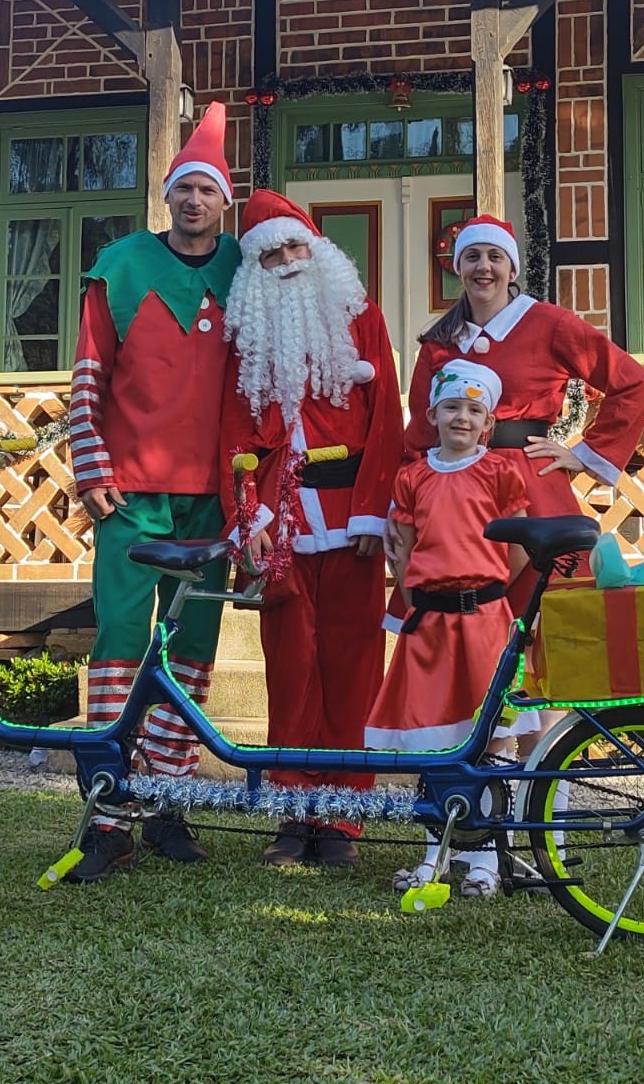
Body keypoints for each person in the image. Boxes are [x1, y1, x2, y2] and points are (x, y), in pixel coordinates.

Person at [67, 102, 240, 881]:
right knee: (120, 642)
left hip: (213, 495)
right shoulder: (122, 266)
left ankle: (167, 800)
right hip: (131, 491)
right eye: (184, 188)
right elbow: (87, 374)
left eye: (208, 190)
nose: (195, 200)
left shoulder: (246, 269)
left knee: (192, 651)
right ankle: (110, 814)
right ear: (168, 196)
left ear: (225, 202)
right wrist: (91, 465)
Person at [220, 189, 404, 868]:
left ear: (319, 250)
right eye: (272, 255)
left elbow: (387, 422)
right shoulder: (247, 340)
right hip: (283, 521)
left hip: (353, 520)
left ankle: (343, 818)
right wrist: (248, 518)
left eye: (296, 246)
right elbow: (231, 436)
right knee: (290, 665)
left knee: (353, 666)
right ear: (255, 269)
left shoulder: (363, 317)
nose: (289, 261)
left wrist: (375, 511)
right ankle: (292, 815)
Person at [403, 214, 644, 586]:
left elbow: (632, 383)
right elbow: (421, 434)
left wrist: (586, 454)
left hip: (529, 484)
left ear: (511, 269)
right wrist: (404, 503)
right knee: (457, 601)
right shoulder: (440, 341)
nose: (483, 266)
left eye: (495, 256)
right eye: (472, 256)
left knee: (544, 601)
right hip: (453, 490)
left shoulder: (550, 324)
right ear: (459, 268)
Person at [366, 360, 536, 898]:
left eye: (473, 410)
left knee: (491, 739)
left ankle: (486, 856)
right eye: (452, 407)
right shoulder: (413, 477)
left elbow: (517, 549)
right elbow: (403, 550)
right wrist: (421, 599)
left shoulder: (500, 471)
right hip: (430, 629)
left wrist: (484, 591)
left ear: (488, 423)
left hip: (484, 623)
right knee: (433, 741)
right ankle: (434, 853)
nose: (462, 417)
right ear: (432, 415)